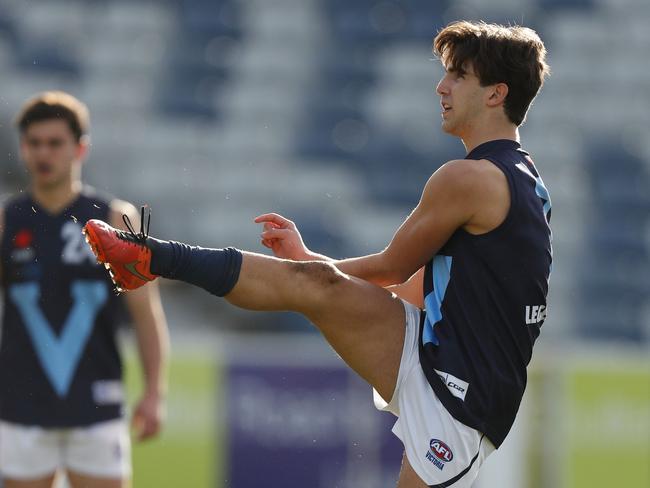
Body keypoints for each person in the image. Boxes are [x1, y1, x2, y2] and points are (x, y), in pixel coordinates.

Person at [83, 20, 551, 488]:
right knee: (315, 284)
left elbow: (392, 267)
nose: (441, 86)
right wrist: (310, 266)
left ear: (496, 94)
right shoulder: (523, 181)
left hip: (465, 397)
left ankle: (154, 258)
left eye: (459, 76)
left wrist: (310, 265)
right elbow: (421, 285)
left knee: (313, 279)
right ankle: (150, 258)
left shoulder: (471, 178)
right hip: (432, 349)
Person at [0, 91, 169, 488]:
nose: (44, 153)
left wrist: (154, 392)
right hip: (22, 404)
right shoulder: (7, 221)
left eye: (55, 143)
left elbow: (147, 315)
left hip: (96, 403)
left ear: (80, 148)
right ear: (23, 148)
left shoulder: (114, 218)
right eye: (35, 143)